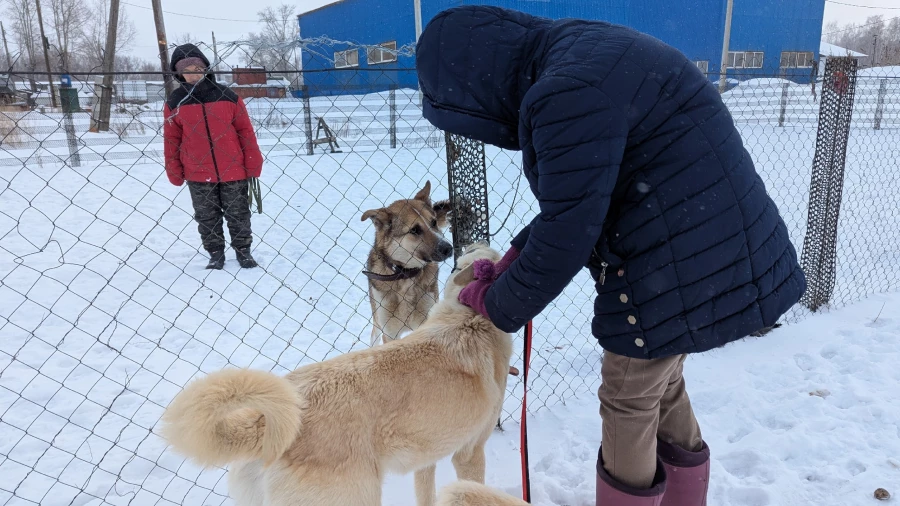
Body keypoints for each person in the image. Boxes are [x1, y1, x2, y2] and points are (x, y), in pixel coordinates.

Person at [415, 6, 806, 506]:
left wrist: (495, 304)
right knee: (660, 381)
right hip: (711, 242)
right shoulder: (582, 50)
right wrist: (515, 256)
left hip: (675, 259)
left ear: (474, 84)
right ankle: (688, 498)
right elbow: (585, 201)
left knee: (628, 394)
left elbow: (570, 230)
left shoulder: (563, 93)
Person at [163, 43, 262, 270]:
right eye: (187, 70)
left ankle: (243, 250)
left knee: (238, 214)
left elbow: (245, 131)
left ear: (206, 68)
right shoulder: (175, 102)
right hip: (198, 173)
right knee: (206, 217)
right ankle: (215, 253)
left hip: (233, 169)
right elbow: (171, 140)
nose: (193, 73)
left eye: (197, 68)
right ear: (178, 73)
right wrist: (174, 168)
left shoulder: (228, 96)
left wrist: (252, 161)